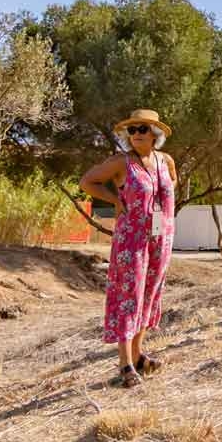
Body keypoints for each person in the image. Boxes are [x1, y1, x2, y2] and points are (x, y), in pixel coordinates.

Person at [79, 110, 177, 388]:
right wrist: (115, 200)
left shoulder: (166, 161)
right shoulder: (120, 163)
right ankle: (124, 363)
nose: (136, 134)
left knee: (148, 296)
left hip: (161, 239)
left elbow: (172, 185)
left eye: (142, 129)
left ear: (155, 134)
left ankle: (138, 355)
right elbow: (87, 181)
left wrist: (161, 214)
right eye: (131, 130)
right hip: (131, 242)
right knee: (129, 297)